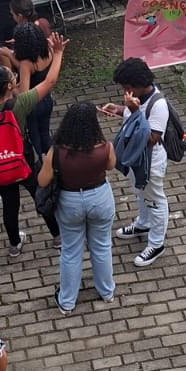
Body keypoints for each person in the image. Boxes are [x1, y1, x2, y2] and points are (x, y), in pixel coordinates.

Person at [0, 32, 67, 257]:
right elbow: (50, 82)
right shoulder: (20, 104)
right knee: (40, 195)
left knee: (10, 204)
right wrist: (58, 53)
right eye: (12, 76)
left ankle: (14, 244)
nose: (15, 76)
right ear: (9, 86)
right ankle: (57, 236)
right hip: (24, 159)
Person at [38, 102, 117, 314]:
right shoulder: (105, 147)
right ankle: (107, 292)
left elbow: (43, 181)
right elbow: (111, 165)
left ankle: (67, 301)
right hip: (100, 198)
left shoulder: (57, 151)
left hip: (69, 201)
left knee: (71, 251)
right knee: (102, 246)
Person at [99, 57, 170, 268]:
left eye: (127, 87)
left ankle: (156, 244)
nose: (125, 91)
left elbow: (150, 139)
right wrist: (121, 109)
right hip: (136, 161)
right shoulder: (139, 99)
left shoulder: (159, 105)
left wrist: (135, 111)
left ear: (138, 84)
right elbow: (135, 117)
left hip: (150, 164)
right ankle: (143, 224)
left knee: (155, 200)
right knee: (141, 193)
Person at [9, 20, 56, 160]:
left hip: (33, 107)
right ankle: (53, 162)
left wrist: (12, 87)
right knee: (45, 134)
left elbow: (24, 96)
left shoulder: (26, 64)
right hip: (47, 100)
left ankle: (40, 165)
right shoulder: (49, 51)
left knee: (35, 139)